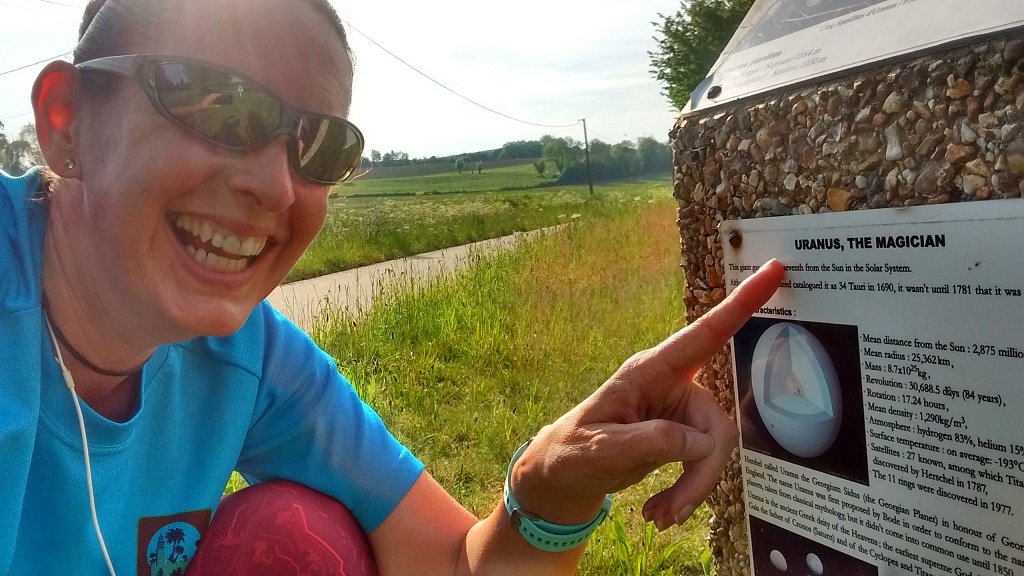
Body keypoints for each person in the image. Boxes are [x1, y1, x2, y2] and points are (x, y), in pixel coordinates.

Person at [0, 0, 785, 573]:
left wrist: (550, 486)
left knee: (298, 535)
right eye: (216, 106)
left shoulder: (246, 356)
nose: (276, 186)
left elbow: (458, 567)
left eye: (318, 145)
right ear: (66, 121)